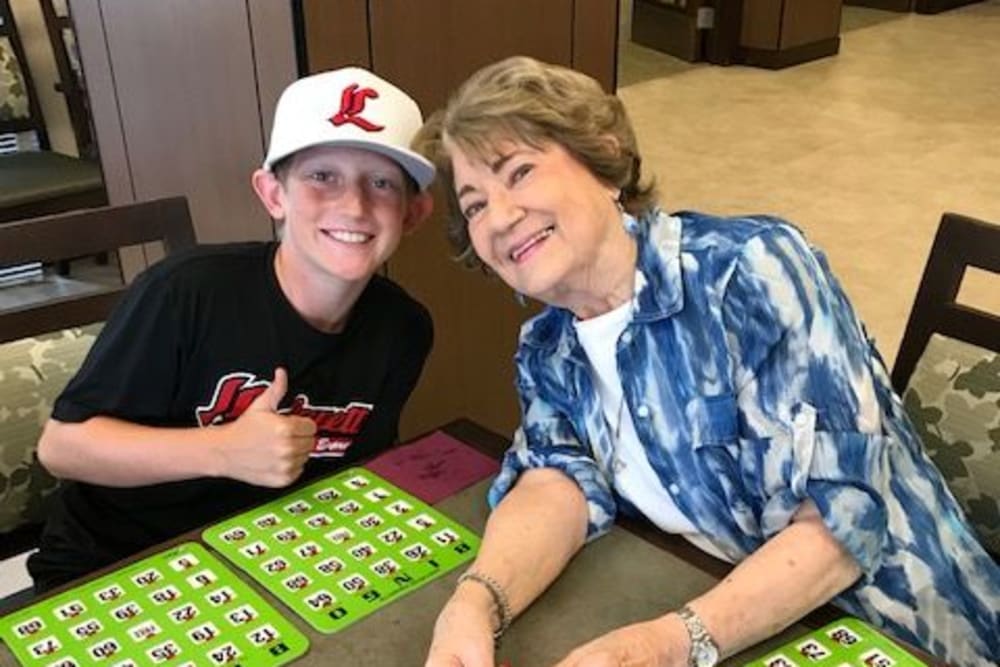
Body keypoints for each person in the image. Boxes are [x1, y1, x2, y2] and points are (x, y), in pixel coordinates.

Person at [414, 56, 1000, 667]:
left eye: (521, 172)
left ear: (603, 160)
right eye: (475, 204)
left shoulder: (751, 272)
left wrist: (669, 643)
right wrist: (474, 607)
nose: (501, 217)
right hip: (729, 616)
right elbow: (554, 479)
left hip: (897, 629)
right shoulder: (549, 347)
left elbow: (840, 526)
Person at [28, 67, 436, 592]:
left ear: (414, 212)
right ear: (273, 194)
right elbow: (63, 447)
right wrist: (222, 449)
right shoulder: (185, 292)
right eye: (322, 176)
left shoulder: (404, 329)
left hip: (271, 558)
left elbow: (353, 471)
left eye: (381, 183)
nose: (354, 206)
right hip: (115, 561)